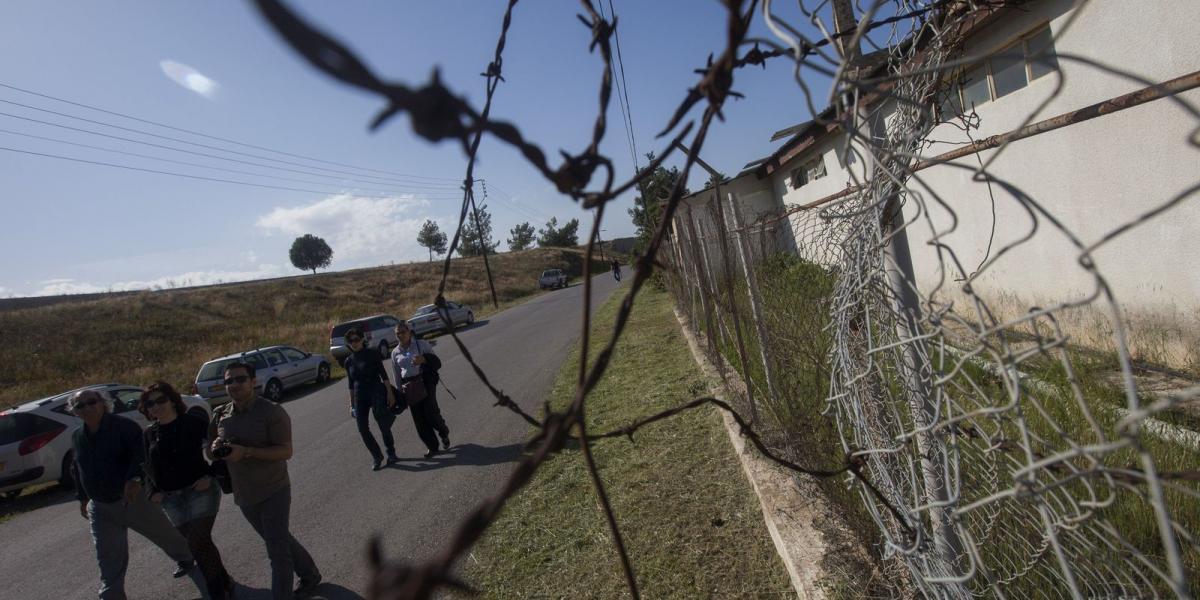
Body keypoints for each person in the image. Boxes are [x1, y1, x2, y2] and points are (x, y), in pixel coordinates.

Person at [68, 389, 205, 600]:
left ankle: (186, 557)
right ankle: (111, 595)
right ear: (75, 411)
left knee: (164, 534)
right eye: (80, 406)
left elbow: (141, 454)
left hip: (133, 499)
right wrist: (82, 498)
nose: (87, 408)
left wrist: (134, 479)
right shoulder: (78, 436)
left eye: (91, 402)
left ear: (103, 403)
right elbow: (77, 468)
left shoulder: (123, 427)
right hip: (100, 506)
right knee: (107, 555)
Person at [209, 362, 322, 600]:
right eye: (229, 381)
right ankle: (310, 574)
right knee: (279, 539)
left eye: (240, 379)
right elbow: (209, 450)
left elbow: (285, 451)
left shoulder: (271, 411)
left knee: (277, 550)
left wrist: (246, 452)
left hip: (274, 489)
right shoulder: (221, 414)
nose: (234, 385)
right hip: (244, 494)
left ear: (253, 382)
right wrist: (216, 448)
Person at [140, 381, 236, 600]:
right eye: (150, 403)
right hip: (171, 499)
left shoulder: (192, 422)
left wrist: (210, 475)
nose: (156, 406)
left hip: (200, 490)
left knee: (196, 542)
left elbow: (220, 449)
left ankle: (216, 593)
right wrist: (151, 491)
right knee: (200, 544)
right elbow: (145, 466)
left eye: (161, 400)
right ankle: (225, 581)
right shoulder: (149, 434)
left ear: (173, 400)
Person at [341, 326, 399, 470]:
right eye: (350, 340)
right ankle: (377, 456)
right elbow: (350, 384)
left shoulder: (372, 354)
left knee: (382, 422)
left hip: (375, 391)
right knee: (362, 428)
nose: (354, 343)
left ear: (362, 340)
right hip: (360, 396)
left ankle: (391, 452)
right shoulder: (349, 361)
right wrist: (351, 404)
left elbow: (383, 375)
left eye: (356, 339)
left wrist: (390, 394)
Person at [390, 320, 450, 458]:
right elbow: (397, 374)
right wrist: (400, 393)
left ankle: (443, 432)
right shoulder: (395, 353)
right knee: (419, 419)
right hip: (409, 386)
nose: (400, 335)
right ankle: (432, 446)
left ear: (409, 332)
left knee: (431, 412)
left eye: (403, 332)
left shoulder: (421, 344)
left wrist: (424, 359)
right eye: (397, 333)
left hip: (425, 380)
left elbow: (436, 362)